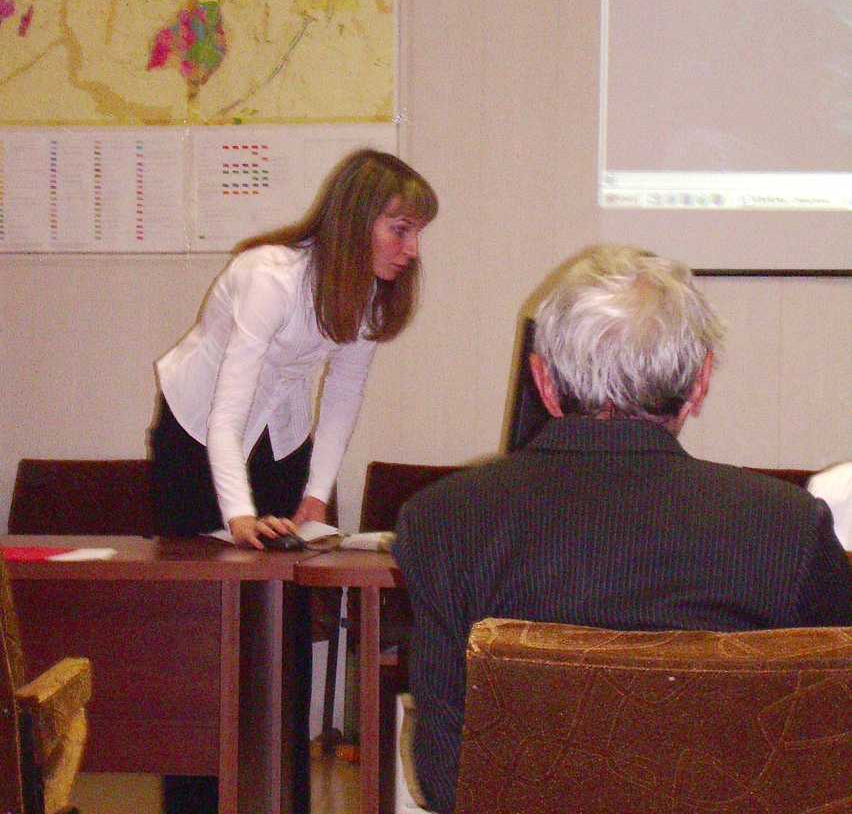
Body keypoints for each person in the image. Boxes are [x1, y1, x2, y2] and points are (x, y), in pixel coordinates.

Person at [394, 245, 852, 814]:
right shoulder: (788, 528)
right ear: (701, 382)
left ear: (543, 381)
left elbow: (447, 777)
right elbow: (831, 756)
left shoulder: (441, 522)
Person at [151, 147, 438, 548]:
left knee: (287, 564)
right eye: (401, 230)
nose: (413, 250)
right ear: (356, 221)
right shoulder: (269, 278)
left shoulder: (371, 296)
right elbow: (227, 412)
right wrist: (239, 517)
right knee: (197, 568)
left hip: (280, 428)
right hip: (196, 427)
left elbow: (344, 392)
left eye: (417, 233)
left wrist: (317, 495)